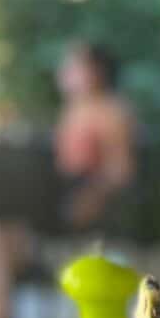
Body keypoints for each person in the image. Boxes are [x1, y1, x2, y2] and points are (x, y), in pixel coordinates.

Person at [55, 43, 136, 229]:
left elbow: (121, 172)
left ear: (97, 71)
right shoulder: (72, 109)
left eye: (73, 67)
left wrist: (90, 199)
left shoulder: (112, 112)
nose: (65, 73)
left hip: (89, 200)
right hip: (58, 194)